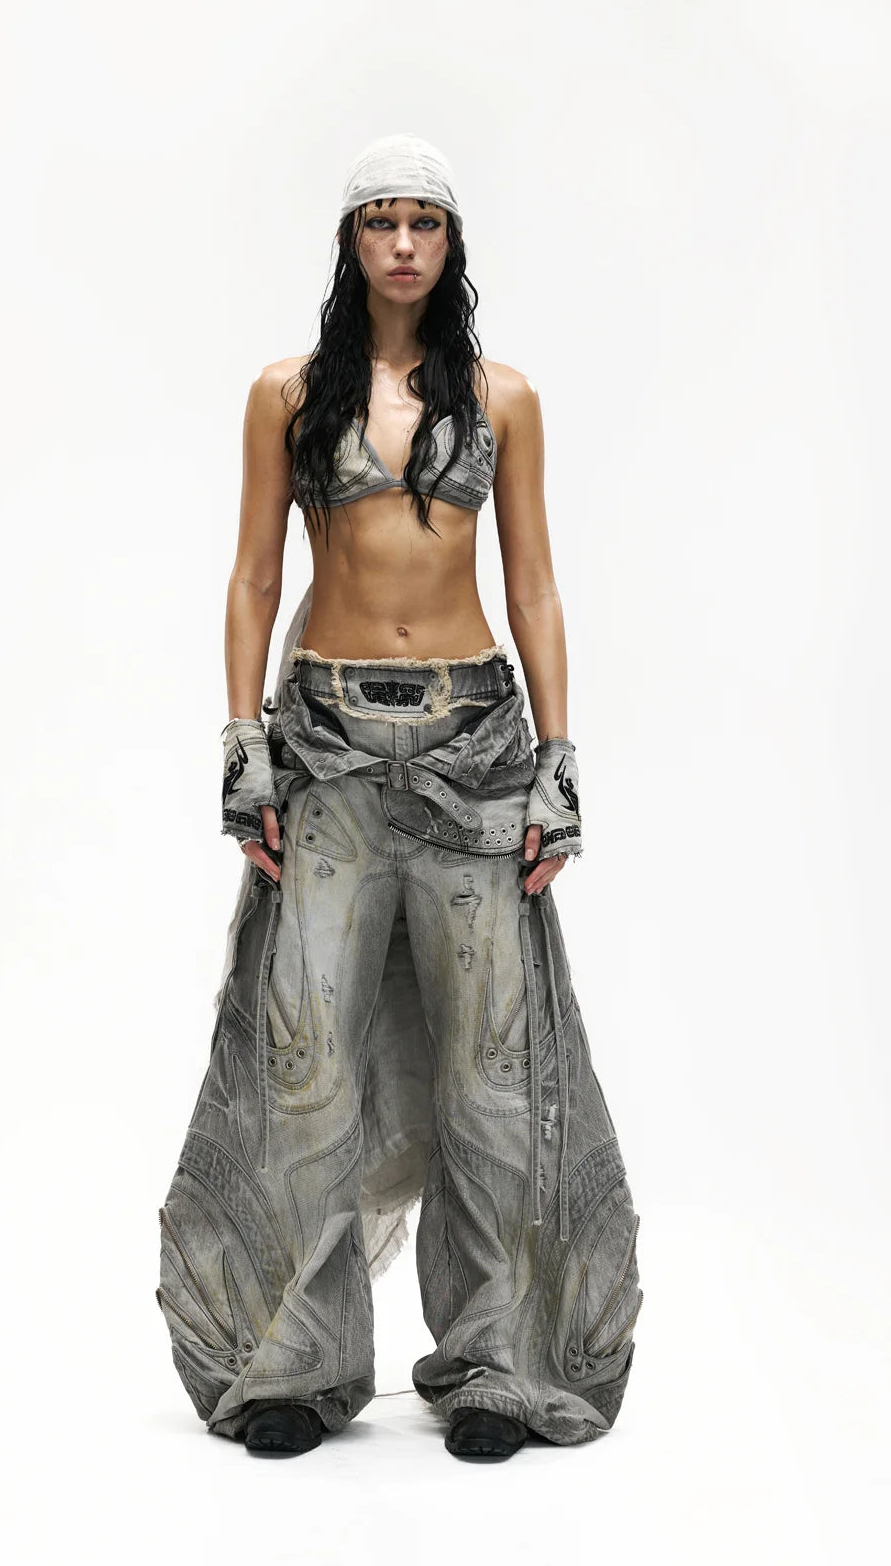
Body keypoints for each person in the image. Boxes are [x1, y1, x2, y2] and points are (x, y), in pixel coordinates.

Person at [156, 133, 642, 1459]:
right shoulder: (286, 394)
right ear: (351, 242)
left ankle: (496, 1364)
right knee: (306, 1057)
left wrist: (558, 758)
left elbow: (533, 581)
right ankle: (300, 1363)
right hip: (324, 743)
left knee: (492, 1065)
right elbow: (256, 574)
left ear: (451, 241)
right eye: (381, 220)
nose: (405, 244)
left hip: (474, 744)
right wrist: (242, 737)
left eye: (425, 220)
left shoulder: (501, 397)